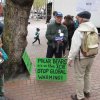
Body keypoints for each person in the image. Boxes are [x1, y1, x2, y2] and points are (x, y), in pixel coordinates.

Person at [68, 11, 98, 100]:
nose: (77, 19)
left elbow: (74, 47)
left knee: (79, 77)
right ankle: (87, 91)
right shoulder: (94, 28)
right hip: (92, 55)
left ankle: (80, 97)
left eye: (78, 18)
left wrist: (70, 58)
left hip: (82, 57)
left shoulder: (79, 31)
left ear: (81, 19)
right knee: (88, 74)